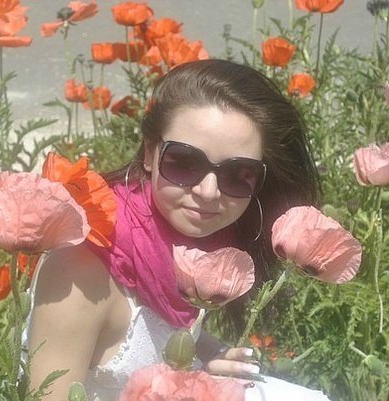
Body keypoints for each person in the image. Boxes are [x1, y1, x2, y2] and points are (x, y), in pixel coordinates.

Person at [24, 59, 330, 401]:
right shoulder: (79, 268)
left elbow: (167, 329)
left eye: (238, 175)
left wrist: (209, 360)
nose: (208, 192)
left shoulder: (201, 241)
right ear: (150, 153)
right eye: (184, 162)